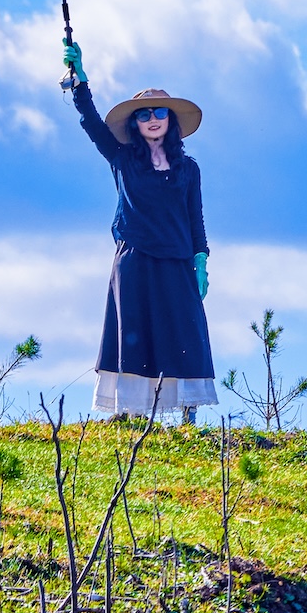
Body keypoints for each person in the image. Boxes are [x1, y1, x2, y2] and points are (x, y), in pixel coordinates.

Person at [63, 39, 218, 419]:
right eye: (144, 113)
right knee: (133, 333)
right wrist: (80, 80)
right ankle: (130, 413)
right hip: (134, 259)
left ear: (170, 119)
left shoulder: (188, 169)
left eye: (160, 111)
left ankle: (188, 414)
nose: (152, 118)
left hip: (178, 261)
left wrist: (200, 260)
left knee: (185, 332)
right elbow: (92, 123)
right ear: (135, 122)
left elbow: (195, 218)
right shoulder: (122, 159)